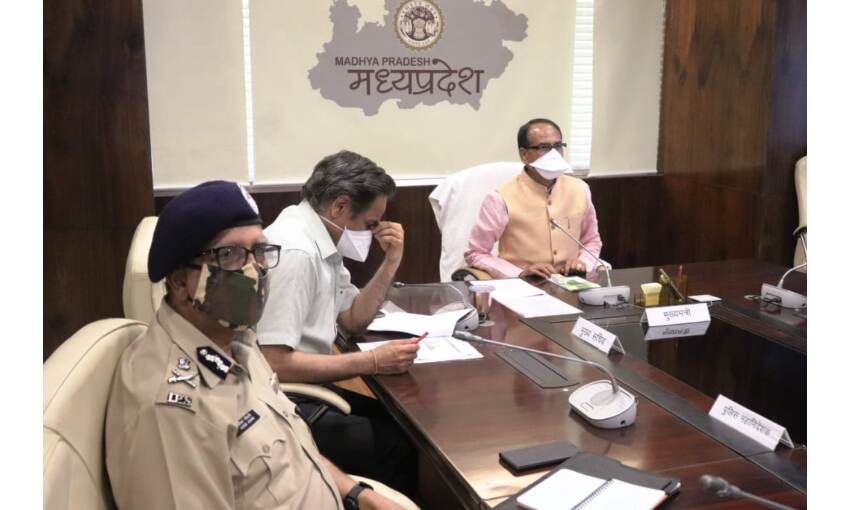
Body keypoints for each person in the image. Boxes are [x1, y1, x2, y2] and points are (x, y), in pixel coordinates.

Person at [105, 180, 405, 510]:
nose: (255, 271)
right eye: (230, 255)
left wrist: (357, 495)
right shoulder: (172, 409)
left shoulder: (238, 343)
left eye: (260, 251)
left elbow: (294, 450)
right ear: (179, 280)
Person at [257, 150, 419, 495]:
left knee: (405, 423)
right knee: (400, 445)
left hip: (307, 385)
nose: (373, 232)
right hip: (282, 403)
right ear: (340, 206)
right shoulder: (297, 253)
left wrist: (391, 261)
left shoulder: (319, 237)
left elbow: (352, 320)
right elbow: (272, 362)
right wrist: (372, 361)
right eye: (370, 224)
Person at [464, 118, 603, 279]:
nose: (553, 154)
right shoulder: (500, 199)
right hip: (523, 286)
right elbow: (476, 253)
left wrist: (582, 262)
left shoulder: (580, 189)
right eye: (544, 147)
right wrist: (519, 273)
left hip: (572, 283)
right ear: (524, 155)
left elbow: (592, 241)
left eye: (558, 146)